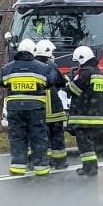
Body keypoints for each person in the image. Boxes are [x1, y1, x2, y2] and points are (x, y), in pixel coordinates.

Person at [0, 38, 52, 177]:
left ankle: (18, 167)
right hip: (36, 108)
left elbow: (2, 83)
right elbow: (50, 83)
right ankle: (41, 168)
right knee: (38, 136)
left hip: (15, 108)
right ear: (33, 51)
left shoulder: (7, 68)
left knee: (17, 136)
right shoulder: (42, 67)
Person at [65, 45, 103, 177]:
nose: (77, 65)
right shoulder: (99, 73)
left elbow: (74, 90)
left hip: (83, 115)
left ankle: (89, 168)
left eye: (78, 62)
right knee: (90, 142)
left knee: (84, 143)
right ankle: (91, 166)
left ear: (82, 59)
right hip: (96, 115)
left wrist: (69, 80)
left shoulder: (85, 72)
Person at [35, 39, 68, 171]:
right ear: (48, 52)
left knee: (41, 136)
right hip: (53, 108)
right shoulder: (51, 66)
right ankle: (60, 162)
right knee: (57, 136)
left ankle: (42, 160)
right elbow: (60, 82)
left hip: (38, 109)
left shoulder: (33, 65)